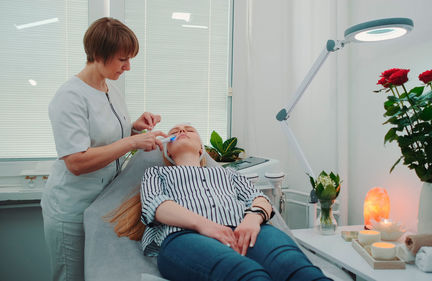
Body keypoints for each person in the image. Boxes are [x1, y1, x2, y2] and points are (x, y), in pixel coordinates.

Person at [110, 124, 332, 281]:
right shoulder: (157, 174)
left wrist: (253, 219)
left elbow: (260, 199)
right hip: (184, 236)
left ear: (201, 149)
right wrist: (206, 226)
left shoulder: (230, 175)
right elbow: (156, 205)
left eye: (189, 129)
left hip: (249, 230)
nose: (182, 131)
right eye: (174, 131)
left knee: (298, 269)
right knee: (247, 274)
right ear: (167, 151)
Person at [42, 17, 167, 281]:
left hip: (103, 205)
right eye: (123, 59)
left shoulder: (110, 88)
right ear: (98, 54)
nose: (128, 67)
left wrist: (134, 128)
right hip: (72, 209)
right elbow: (76, 162)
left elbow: (104, 138)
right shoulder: (70, 97)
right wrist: (132, 142)